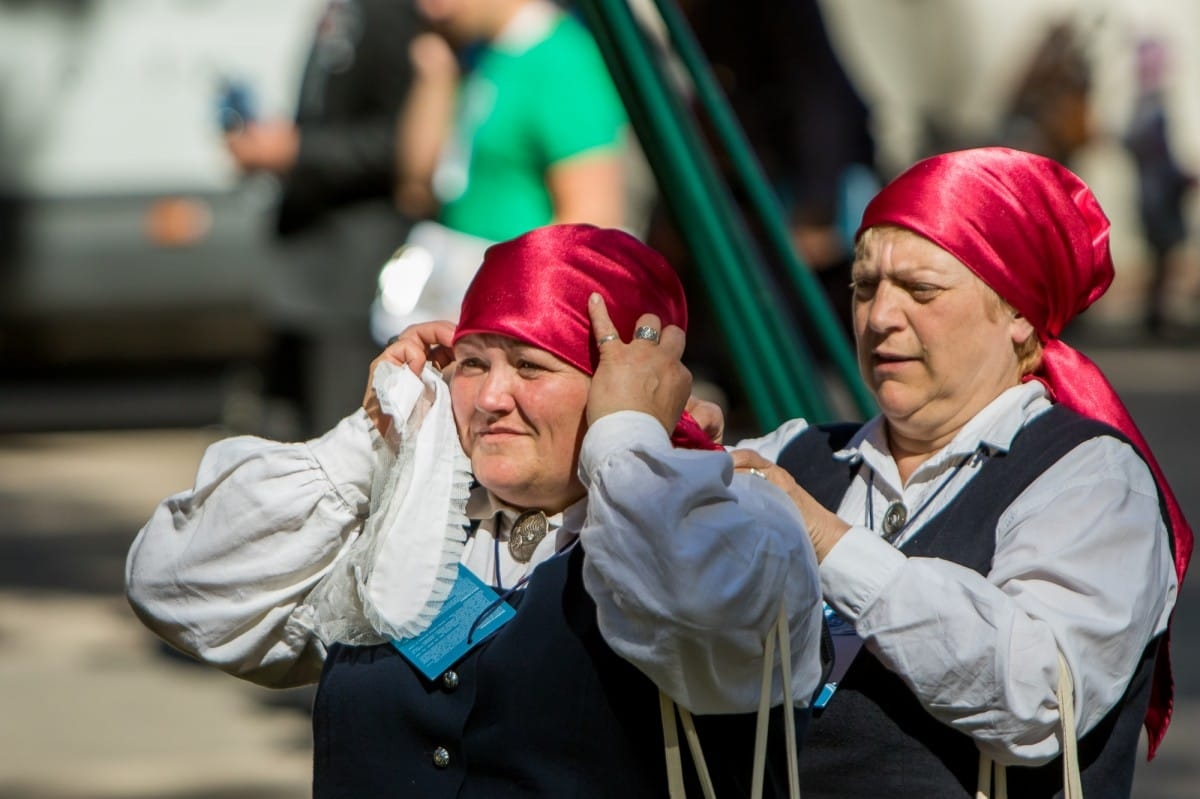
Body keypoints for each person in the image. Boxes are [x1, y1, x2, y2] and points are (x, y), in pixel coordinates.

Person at [125, 223, 823, 796]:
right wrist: (375, 438)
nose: (489, 398)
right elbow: (176, 586)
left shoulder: (733, 521)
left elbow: (696, 620)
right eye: (473, 362)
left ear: (624, 384)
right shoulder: (410, 524)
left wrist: (628, 440)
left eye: (531, 366)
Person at [725, 147, 1191, 796]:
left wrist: (830, 543)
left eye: (920, 290)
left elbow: (1034, 698)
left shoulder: (1094, 480)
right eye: (864, 286)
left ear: (1018, 313)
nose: (880, 317)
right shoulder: (796, 454)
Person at [223, 0, 425, 435]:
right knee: (284, 434)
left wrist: (297, 151)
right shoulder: (343, 8)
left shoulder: (393, 13)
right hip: (306, 262)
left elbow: (401, 142)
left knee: (340, 436)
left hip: (354, 270)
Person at [374, 0, 629, 339]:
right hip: (457, 295)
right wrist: (434, 76)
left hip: (510, 322)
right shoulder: (482, 51)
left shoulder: (562, 61)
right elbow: (416, 188)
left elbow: (592, 219)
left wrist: (502, 310)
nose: (428, 8)